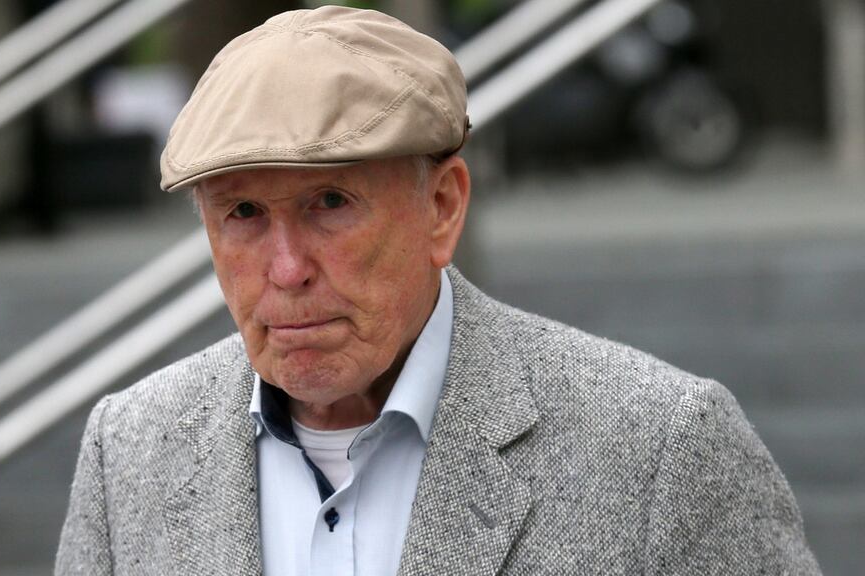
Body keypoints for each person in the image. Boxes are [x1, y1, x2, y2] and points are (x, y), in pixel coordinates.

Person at [55, 6, 820, 575]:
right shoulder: (129, 450)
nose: (286, 269)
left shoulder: (661, 448)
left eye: (330, 204)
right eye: (243, 214)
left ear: (444, 207)